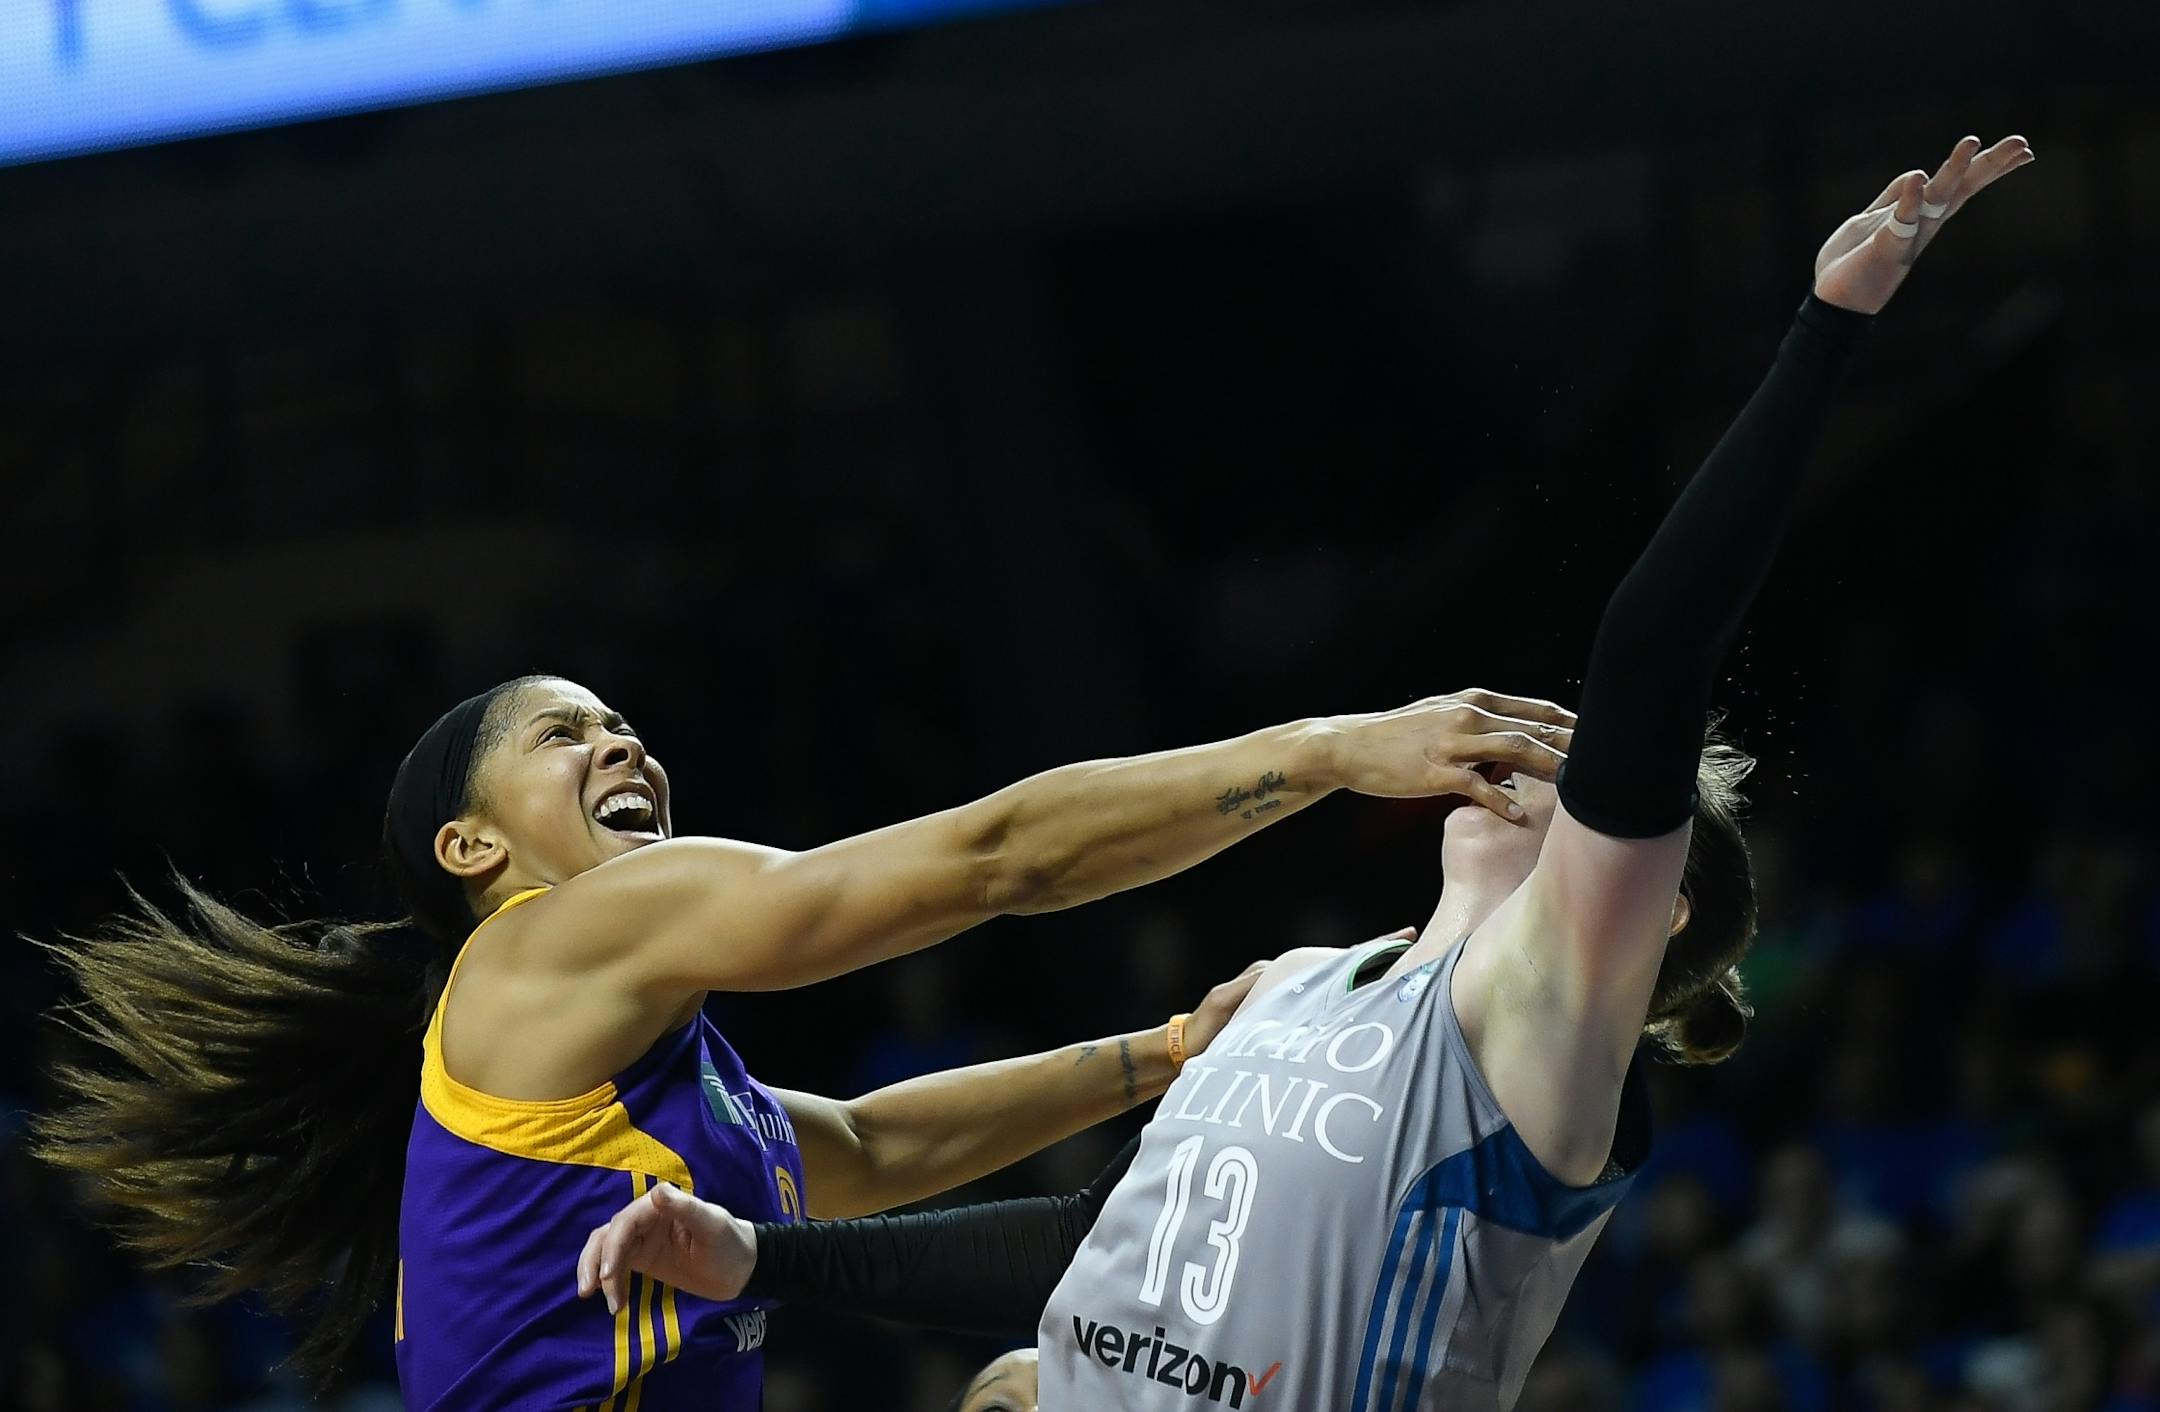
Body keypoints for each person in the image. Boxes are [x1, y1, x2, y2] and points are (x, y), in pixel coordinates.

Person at [570, 133, 2036, 1411]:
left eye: (1583, 775)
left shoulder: (1541, 1018)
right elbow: (1095, 1239)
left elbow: (1653, 650)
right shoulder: (1293, 985)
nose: (1540, 755)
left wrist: (1825, 329)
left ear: (1651, 908)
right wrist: (763, 1256)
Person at [32, 669, 1572, 1411]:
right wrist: (1328, 752)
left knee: (1024, 1394)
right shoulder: (543, 945)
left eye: (625, 726)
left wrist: (1169, 1052)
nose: (622, 744)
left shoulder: (625, 1086)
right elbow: (994, 861)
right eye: (564, 735)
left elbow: (873, 1147)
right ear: (470, 849)